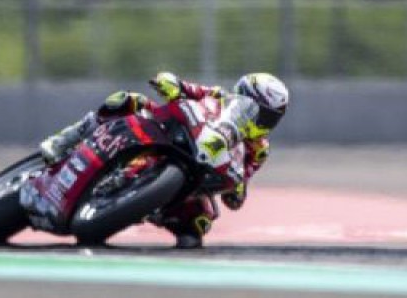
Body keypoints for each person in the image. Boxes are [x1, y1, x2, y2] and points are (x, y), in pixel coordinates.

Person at [38, 70, 290, 248]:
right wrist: (171, 83)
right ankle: (66, 140)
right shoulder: (218, 97)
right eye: (259, 113)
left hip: (200, 173)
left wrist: (237, 189)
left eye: (269, 119)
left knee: (198, 226)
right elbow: (188, 89)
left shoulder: (259, 149)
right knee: (128, 101)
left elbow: (244, 179)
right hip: (176, 135)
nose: (261, 123)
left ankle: (145, 208)